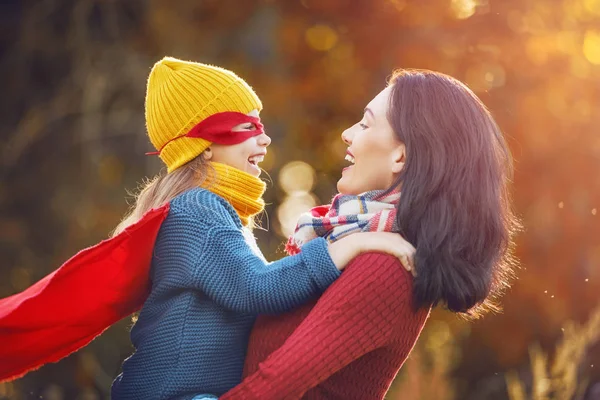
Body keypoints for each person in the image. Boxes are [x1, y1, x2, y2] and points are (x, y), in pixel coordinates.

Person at [0, 57, 418, 398]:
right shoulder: (198, 209)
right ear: (204, 141)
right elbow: (259, 288)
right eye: (247, 126)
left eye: (262, 124)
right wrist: (353, 244)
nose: (265, 139)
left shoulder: (220, 214)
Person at [220, 69, 520, 399]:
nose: (348, 134)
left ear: (400, 156)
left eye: (365, 123)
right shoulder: (357, 246)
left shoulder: (385, 268)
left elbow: (271, 387)